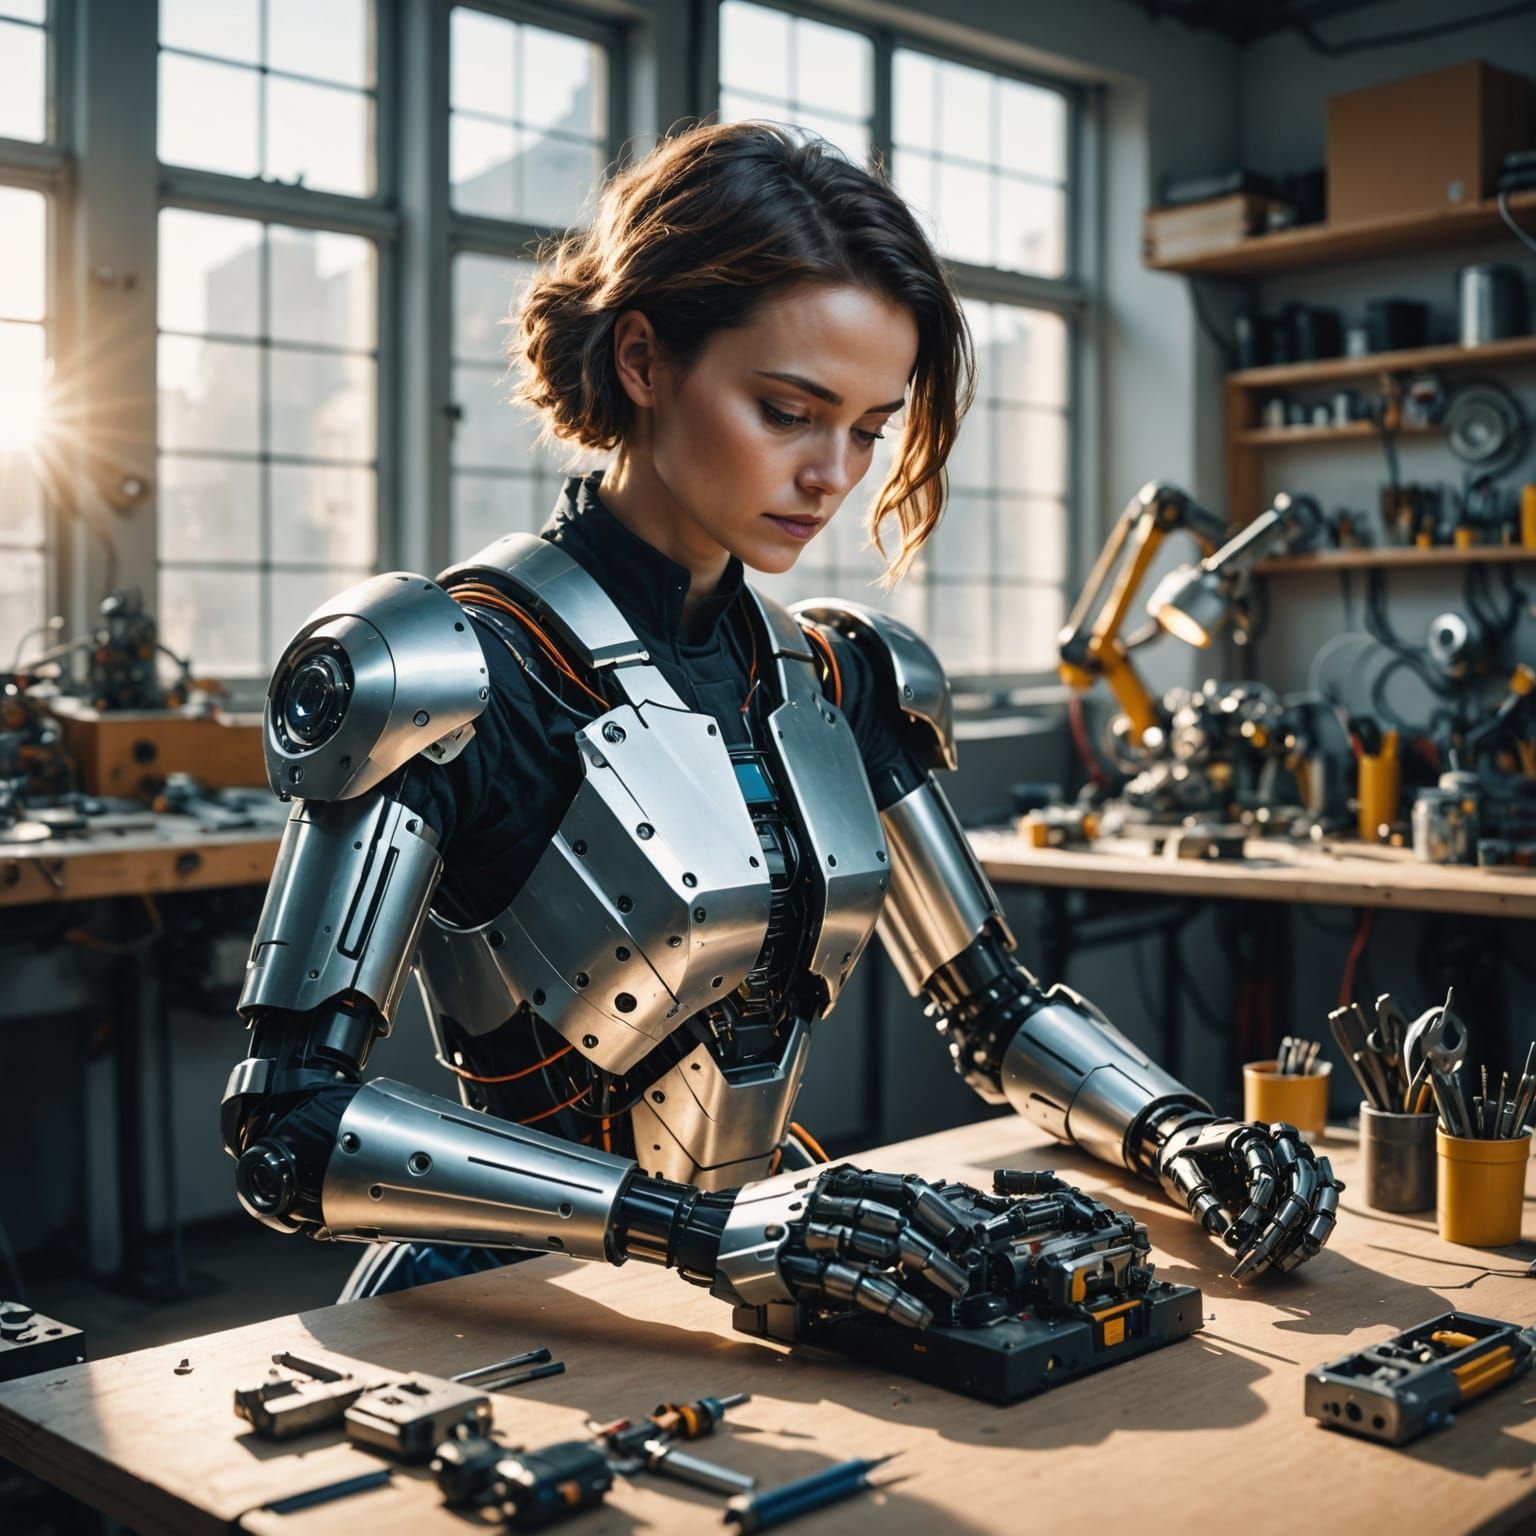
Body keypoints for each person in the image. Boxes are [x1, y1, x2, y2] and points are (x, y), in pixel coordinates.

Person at [222, 122, 1339, 1321]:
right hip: (514, 1292)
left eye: (869, 429)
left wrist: (1177, 1132)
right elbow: (288, 1129)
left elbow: (992, 1008)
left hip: (773, 1258)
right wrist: (698, 1232)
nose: (834, 475)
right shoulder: (453, 668)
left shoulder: (841, 676)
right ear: (642, 359)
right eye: (787, 410)